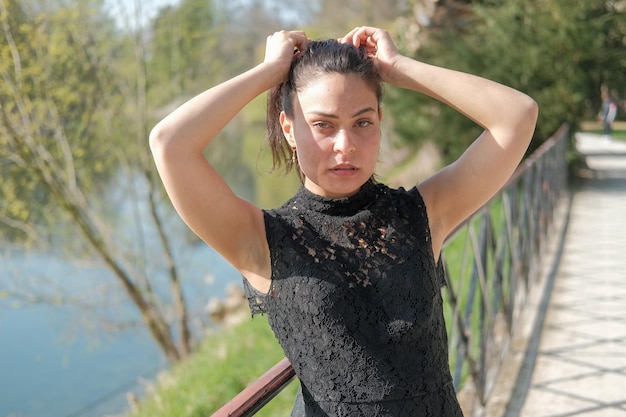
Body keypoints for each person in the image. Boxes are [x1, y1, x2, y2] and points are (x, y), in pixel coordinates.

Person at [149, 26, 538, 416]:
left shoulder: (422, 213)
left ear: (380, 121)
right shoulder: (263, 240)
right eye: (323, 125)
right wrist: (270, 72)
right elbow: (170, 144)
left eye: (363, 122)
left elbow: (517, 115)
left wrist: (399, 67)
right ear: (290, 129)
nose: (345, 145)